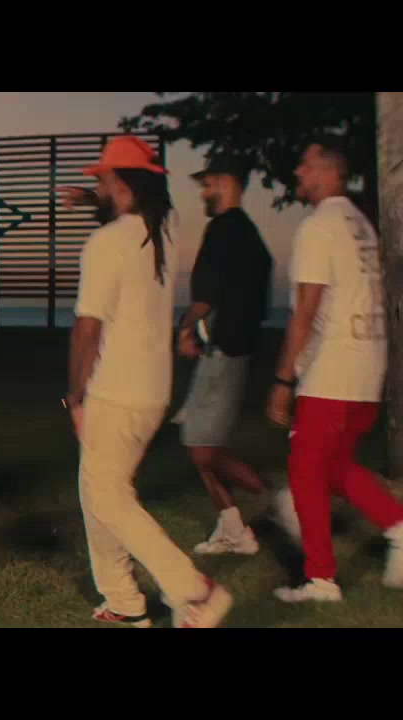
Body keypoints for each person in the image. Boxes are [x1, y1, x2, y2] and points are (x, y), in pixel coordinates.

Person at [62, 135, 232, 628]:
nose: (101, 186)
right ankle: (123, 600)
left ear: (120, 183)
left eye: (104, 180)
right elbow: (140, 202)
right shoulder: (167, 229)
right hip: (154, 389)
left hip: (115, 390)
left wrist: (75, 395)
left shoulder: (105, 244)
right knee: (98, 488)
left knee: (107, 496)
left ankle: (195, 591)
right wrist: (93, 199)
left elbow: (87, 328)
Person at [267, 136, 403, 602]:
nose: (298, 173)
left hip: (333, 369)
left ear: (329, 173)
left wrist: (283, 379)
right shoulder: (359, 223)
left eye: (306, 165)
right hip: (368, 365)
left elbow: (306, 309)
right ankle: (399, 529)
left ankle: (320, 578)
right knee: (334, 467)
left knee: (306, 473)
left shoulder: (319, 226)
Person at [175, 155, 281, 555]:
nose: (203, 193)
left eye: (207, 184)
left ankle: (278, 501)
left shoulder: (221, 229)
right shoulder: (251, 235)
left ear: (225, 182)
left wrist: (184, 329)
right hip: (236, 349)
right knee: (201, 440)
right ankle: (233, 528)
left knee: (202, 448)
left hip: (225, 353)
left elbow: (205, 296)